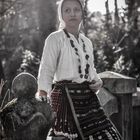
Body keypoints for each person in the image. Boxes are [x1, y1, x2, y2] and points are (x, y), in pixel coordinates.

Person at [36, 0, 122, 139]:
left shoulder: (87, 42)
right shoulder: (55, 39)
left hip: (88, 98)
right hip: (65, 98)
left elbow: (90, 69)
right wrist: (43, 93)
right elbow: (46, 68)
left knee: (109, 136)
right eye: (67, 10)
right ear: (61, 15)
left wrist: (98, 82)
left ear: (82, 13)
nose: (72, 14)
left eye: (76, 9)